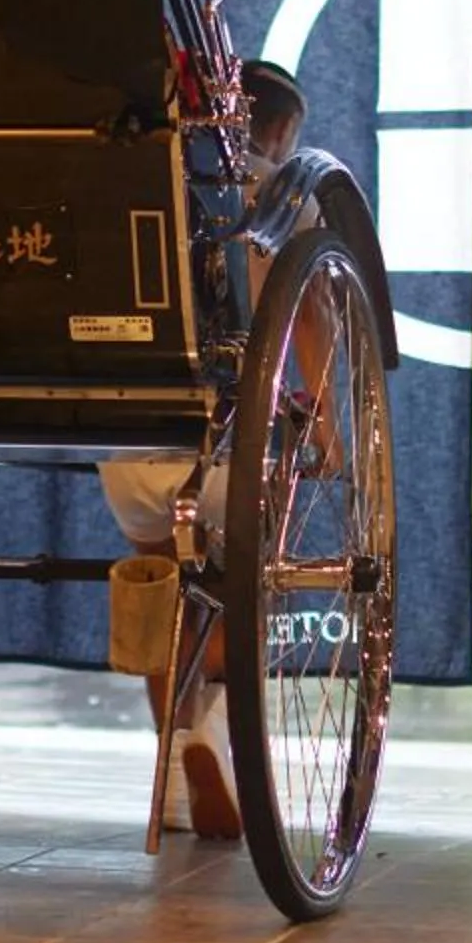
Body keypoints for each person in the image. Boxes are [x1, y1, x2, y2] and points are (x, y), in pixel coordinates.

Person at [101, 58, 310, 841]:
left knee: (162, 581)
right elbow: (316, 323)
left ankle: (172, 767)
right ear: (282, 134)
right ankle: (215, 733)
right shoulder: (282, 196)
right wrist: (322, 436)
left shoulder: (151, 183)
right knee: (244, 584)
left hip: (130, 440)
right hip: (229, 438)